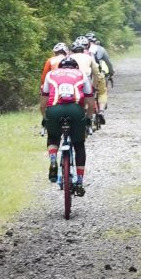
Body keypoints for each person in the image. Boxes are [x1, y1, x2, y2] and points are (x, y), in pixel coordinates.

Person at [42, 56, 94, 195]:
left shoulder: (51, 74)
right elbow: (91, 103)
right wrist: (88, 118)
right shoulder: (81, 74)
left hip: (54, 109)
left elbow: (43, 101)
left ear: (60, 67)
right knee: (79, 144)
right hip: (75, 110)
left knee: (53, 137)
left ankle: (53, 159)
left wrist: (44, 117)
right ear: (75, 67)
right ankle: (80, 181)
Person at [71, 37, 108, 124]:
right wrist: (94, 86)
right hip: (87, 79)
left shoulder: (69, 56)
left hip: (73, 80)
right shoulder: (90, 55)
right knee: (102, 92)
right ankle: (101, 111)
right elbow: (96, 72)